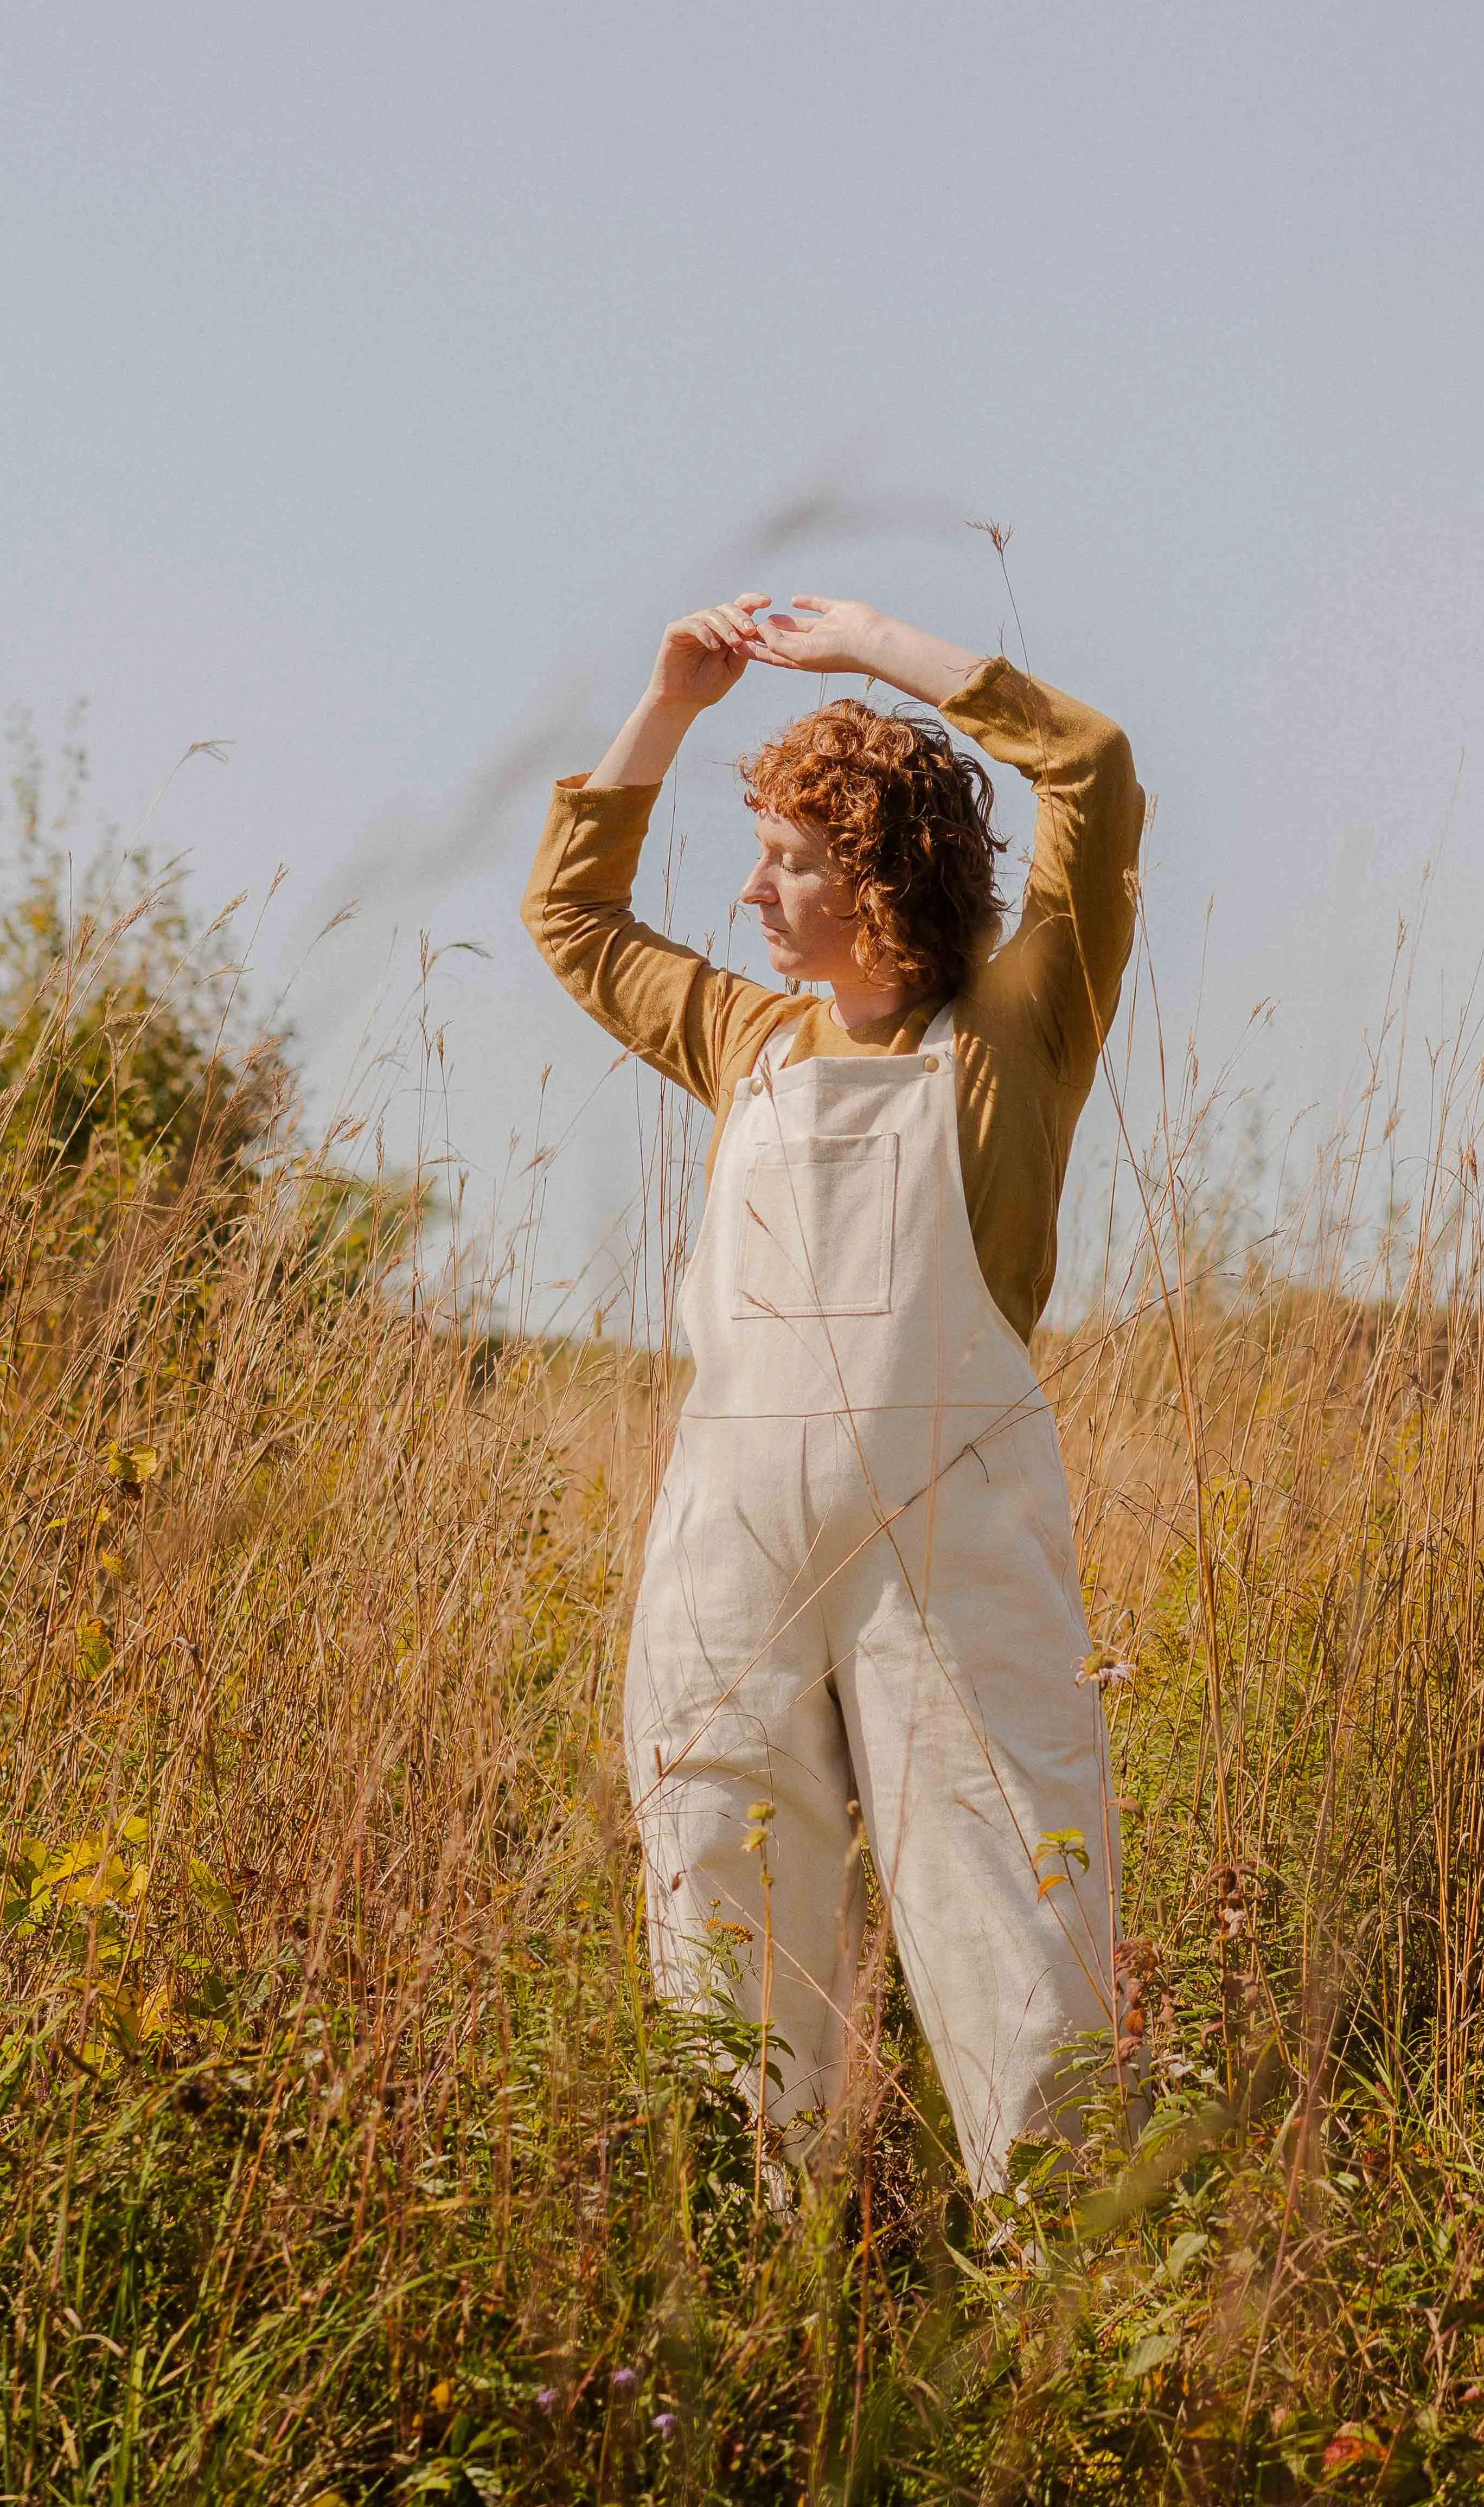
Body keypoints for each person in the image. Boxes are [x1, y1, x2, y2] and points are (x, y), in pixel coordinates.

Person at [521, 590, 1144, 2193]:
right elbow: (572, 915)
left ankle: (1060, 2274)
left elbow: (1090, 770)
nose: (752, 890)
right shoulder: (747, 1041)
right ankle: (762, 2249)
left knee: (1008, 1889)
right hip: (733, 1533)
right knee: (714, 1866)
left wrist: (875, 647)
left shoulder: (1014, 1034)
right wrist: (669, 703)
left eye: (792, 856)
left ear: (885, 875)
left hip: (951, 1544)